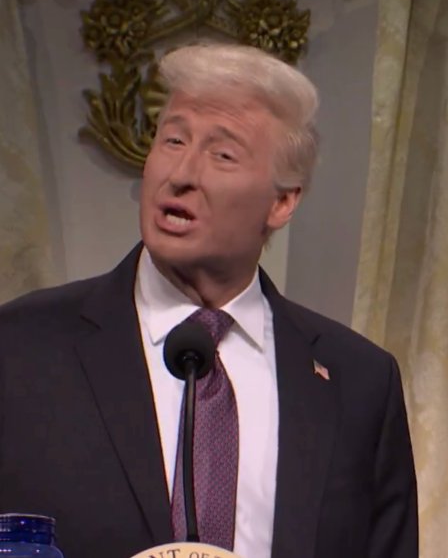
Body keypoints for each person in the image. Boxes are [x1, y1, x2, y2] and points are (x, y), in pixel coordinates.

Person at [0, 43, 418, 558]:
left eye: (223, 155)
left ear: (282, 201)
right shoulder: (19, 348)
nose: (181, 174)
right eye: (173, 139)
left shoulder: (360, 383)